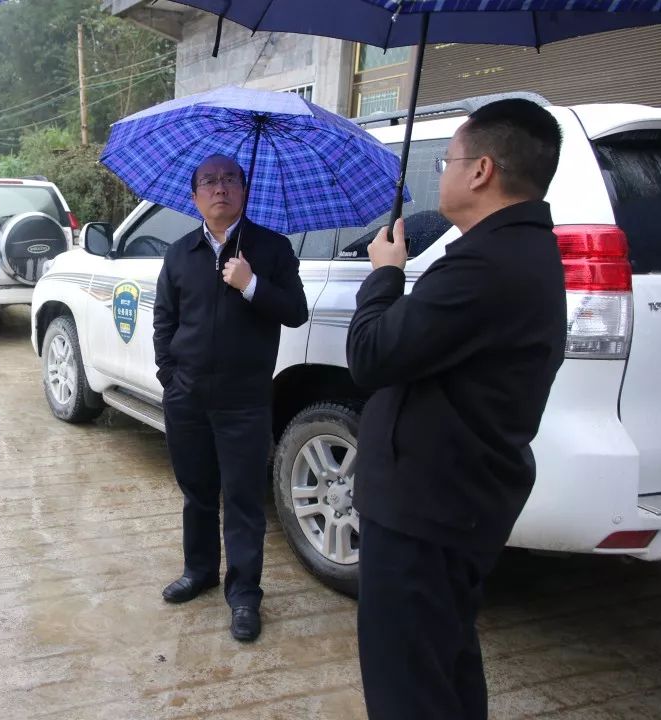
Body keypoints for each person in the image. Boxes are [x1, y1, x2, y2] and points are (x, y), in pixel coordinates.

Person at [347, 99, 568, 719]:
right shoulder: (514, 252)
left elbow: (371, 354)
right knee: (445, 665)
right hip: (453, 504)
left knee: (407, 686)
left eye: (448, 160)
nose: (441, 173)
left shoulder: (486, 264)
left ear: (481, 171)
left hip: (427, 510)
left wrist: (385, 274)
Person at [153, 154, 309, 642]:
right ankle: (200, 571)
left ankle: (244, 596)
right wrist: (171, 378)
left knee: (242, 500)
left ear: (244, 189)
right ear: (195, 195)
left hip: (244, 400)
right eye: (209, 181)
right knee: (197, 492)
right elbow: (165, 322)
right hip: (188, 399)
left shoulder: (271, 248)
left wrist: (252, 284)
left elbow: (296, 312)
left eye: (229, 180)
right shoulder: (180, 253)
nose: (220, 188)